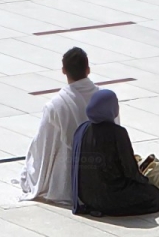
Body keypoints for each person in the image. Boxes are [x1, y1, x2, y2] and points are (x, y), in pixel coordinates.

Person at [19, 47, 99, 204]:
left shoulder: (56, 105)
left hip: (70, 179)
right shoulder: (104, 99)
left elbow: (44, 145)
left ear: (64, 70)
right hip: (100, 170)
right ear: (88, 69)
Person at [71, 89, 159, 216]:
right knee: (155, 195)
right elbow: (130, 170)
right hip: (110, 196)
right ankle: (112, 210)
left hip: (86, 196)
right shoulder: (117, 133)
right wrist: (145, 180)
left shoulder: (82, 129)